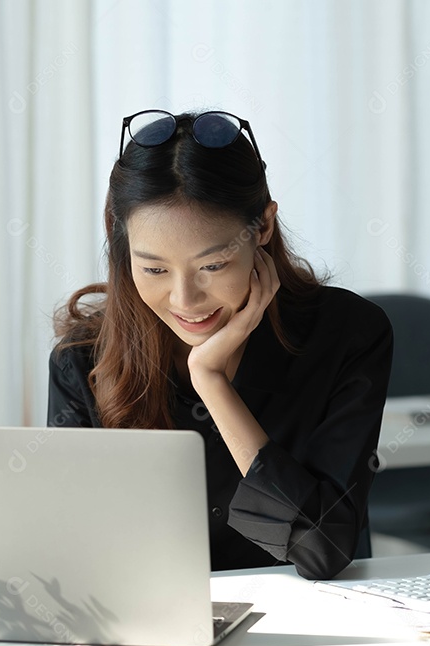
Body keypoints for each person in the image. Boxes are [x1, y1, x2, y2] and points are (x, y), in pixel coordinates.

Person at [47, 109, 393, 580]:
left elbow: (323, 548)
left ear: (263, 227)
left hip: (308, 628)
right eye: (153, 269)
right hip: (148, 633)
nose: (183, 299)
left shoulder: (347, 334)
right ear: (117, 232)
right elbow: (72, 555)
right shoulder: (83, 360)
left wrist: (211, 382)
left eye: (212, 266)